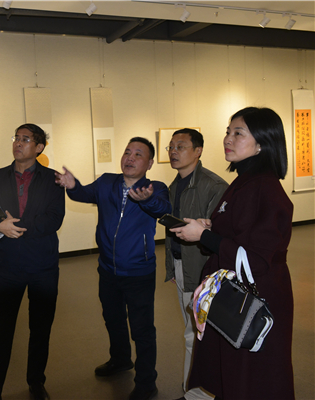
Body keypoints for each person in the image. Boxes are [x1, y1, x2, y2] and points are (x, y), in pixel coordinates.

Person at [170, 107, 295, 400]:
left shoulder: (265, 188)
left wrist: (204, 236)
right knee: (233, 369)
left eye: (239, 133)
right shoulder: (245, 180)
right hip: (236, 295)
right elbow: (241, 233)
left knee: (252, 375)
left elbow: (256, 259)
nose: (228, 138)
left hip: (256, 298)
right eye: (228, 131)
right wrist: (211, 228)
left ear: (262, 143)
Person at [55, 137, 171, 400]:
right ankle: (120, 359)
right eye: (128, 152)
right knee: (113, 319)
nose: (130, 157)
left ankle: (146, 382)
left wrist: (147, 200)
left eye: (138, 154)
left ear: (149, 163)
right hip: (107, 269)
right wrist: (73, 186)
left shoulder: (155, 188)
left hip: (139, 272)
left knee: (142, 330)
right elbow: (85, 194)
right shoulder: (107, 182)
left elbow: (164, 209)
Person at [0, 124, 65, 400]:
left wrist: (17, 227)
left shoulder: (53, 179)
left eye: (26, 139)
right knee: (0, 332)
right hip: (9, 266)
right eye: (17, 137)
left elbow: (54, 218)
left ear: (39, 147)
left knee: (40, 329)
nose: (18, 142)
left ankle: (36, 382)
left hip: (43, 266)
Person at [164, 129, 228, 396]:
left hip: (204, 271)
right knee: (191, 333)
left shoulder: (214, 186)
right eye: (170, 146)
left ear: (198, 151)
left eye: (180, 146)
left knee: (198, 335)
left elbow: (221, 236)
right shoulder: (174, 186)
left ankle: (196, 394)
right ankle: (192, 391)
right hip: (183, 267)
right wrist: (173, 267)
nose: (173, 151)